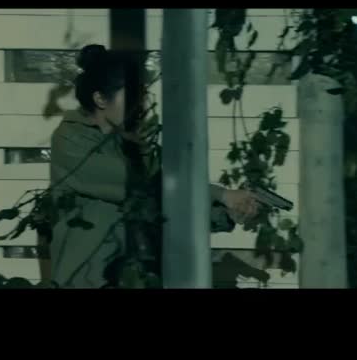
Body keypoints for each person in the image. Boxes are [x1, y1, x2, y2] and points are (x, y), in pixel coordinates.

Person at [47, 45, 258, 288]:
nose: (142, 103)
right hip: (86, 279)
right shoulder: (70, 139)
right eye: (133, 95)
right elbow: (145, 185)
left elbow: (166, 206)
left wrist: (225, 213)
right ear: (100, 99)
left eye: (142, 94)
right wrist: (222, 194)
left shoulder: (128, 143)